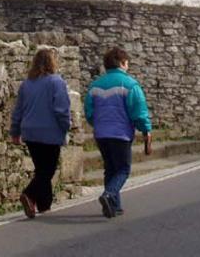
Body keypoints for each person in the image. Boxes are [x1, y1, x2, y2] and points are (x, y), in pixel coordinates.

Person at [85, 47, 152, 218]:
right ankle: (109, 195)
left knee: (110, 169)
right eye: (127, 63)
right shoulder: (130, 84)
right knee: (123, 169)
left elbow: (89, 112)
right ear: (123, 63)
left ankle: (114, 206)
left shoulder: (95, 85)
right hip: (120, 134)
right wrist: (146, 130)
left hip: (101, 134)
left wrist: (98, 124)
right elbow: (139, 110)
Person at [10, 48, 71, 219]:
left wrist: (15, 131)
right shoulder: (56, 82)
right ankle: (29, 194)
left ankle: (44, 204)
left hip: (30, 132)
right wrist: (66, 127)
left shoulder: (26, 84)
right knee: (48, 170)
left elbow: (18, 111)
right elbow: (61, 110)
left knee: (41, 169)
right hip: (50, 132)